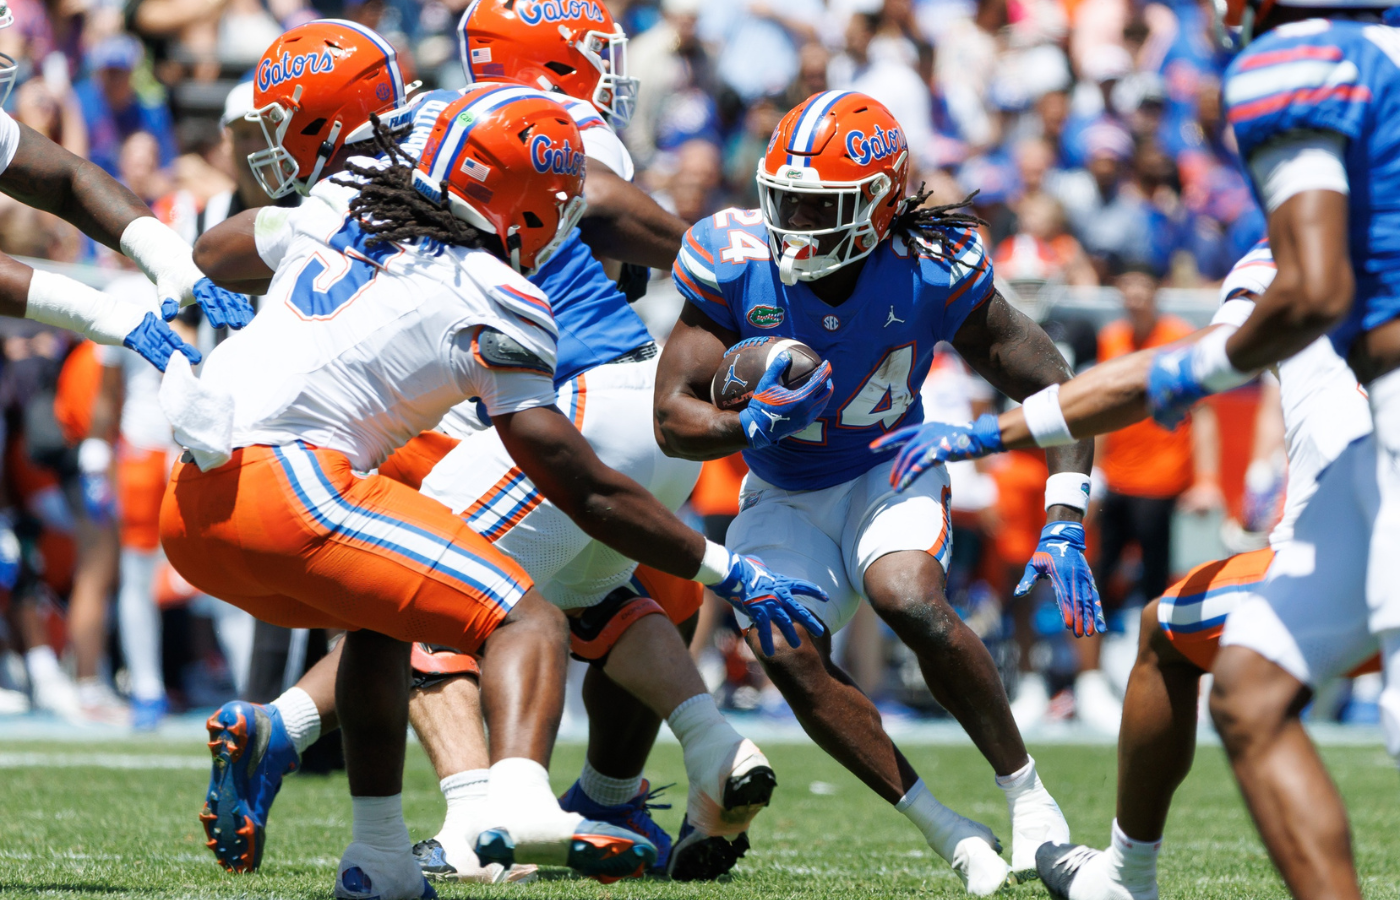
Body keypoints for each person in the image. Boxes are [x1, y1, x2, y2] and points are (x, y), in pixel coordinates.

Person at [186, 21, 828, 893]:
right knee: (589, 600)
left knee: (442, 599)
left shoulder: (405, 190)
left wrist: (292, 235)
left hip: (554, 401)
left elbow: (216, 253)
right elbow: (593, 205)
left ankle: (454, 813)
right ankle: (701, 753)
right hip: (617, 393)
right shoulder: (469, 181)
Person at [879, 0, 1400, 886]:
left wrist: (1179, 377)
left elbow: (1304, 295)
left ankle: (1127, 875)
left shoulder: (1303, 65)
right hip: (1355, 502)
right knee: (1238, 680)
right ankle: (1125, 875)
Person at [656, 89, 1089, 895]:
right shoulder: (735, 256)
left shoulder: (930, 265)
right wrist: (749, 424)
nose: (793, 223)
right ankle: (947, 829)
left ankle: (1028, 797)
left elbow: (1054, 387)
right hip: (783, 490)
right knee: (782, 645)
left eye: (818, 207)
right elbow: (672, 418)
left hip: (891, 466)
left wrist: (1066, 515)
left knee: (907, 598)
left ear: (881, 205)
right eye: (784, 200)